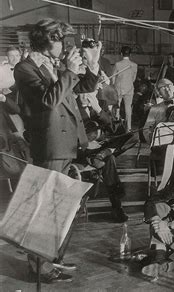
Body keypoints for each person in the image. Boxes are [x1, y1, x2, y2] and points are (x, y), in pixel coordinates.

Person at [14, 18, 101, 283]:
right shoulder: (24, 68)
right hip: (50, 147)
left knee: (64, 208)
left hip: (68, 145)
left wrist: (93, 62)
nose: (64, 45)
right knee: (46, 211)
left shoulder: (55, 65)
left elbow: (84, 87)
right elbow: (49, 101)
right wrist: (68, 71)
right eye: (59, 40)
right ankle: (39, 267)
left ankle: (54, 259)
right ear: (45, 41)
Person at [76, 91, 131, 223]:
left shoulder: (99, 104)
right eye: (84, 93)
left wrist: (99, 110)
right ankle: (117, 205)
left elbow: (116, 129)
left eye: (91, 92)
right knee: (110, 159)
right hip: (79, 151)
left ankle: (102, 154)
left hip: (96, 148)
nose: (87, 96)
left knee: (128, 135)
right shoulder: (73, 105)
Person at [112, 46, 137, 131]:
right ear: (130, 54)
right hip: (129, 88)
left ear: (121, 54)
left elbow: (113, 78)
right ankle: (129, 128)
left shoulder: (117, 64)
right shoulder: (134, 65)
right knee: (128, 108)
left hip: (118, 88)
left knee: (117, 107)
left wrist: (113, 86)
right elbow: (133, 78)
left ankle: (116, 127)